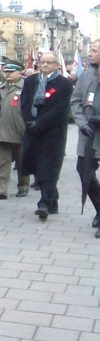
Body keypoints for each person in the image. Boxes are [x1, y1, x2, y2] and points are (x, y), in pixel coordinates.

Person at [21, 51, 74, 220]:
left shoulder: (63, 83)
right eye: (42, 62)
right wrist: (29, 121)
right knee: (37, 165)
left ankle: (44, 203)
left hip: (53, 132)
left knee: (48, 167)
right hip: (33, 130)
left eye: (49, 63)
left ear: (57, 65)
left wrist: (41, 123)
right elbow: (25, 102)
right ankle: (52, 200)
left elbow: (60, 109)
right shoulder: (31, 81)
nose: (44, 65)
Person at [0, 60, 30, 200]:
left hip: (20, 130)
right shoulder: (0, 88)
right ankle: (1, 190)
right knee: (2, 162)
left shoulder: (26, 88)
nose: (8, 74)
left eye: (11, 72)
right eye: (6, 72)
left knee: (22, 161)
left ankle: (23, 186)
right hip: (1, 130)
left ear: (20, 73)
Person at [71, 40, 100, 235]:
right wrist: (82, 123)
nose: (90, 53)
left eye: (94, 50)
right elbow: (75, 101)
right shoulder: (87, 75)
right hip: (89, 132)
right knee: (84, 171)